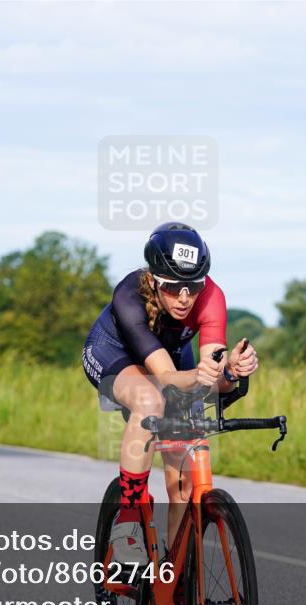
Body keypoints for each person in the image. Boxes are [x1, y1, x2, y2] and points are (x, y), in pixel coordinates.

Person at [81, 222, 259, 567]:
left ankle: (177, 575)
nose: (185, 297)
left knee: (183, 482)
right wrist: (203, 375)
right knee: (150, 400)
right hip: (115, 353)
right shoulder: (129, 294)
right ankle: (129, 520)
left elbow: (210, 378)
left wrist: (231, 371)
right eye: (174, 286)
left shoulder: (212, 298)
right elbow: (164, 377)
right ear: (153, 280)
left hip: (175, 361)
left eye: (193, 286)